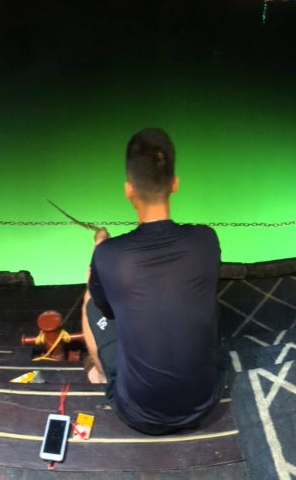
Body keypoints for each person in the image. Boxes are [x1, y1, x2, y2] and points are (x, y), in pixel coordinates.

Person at [81, 128, 222, 435]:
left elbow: (105, 310)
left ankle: (104, 375)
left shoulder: (108, 255)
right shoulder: (206, 240)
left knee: (92, 302)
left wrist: (96, 253)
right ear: (175, 184)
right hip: (205, 401)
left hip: (139, 412)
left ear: (128, 190)